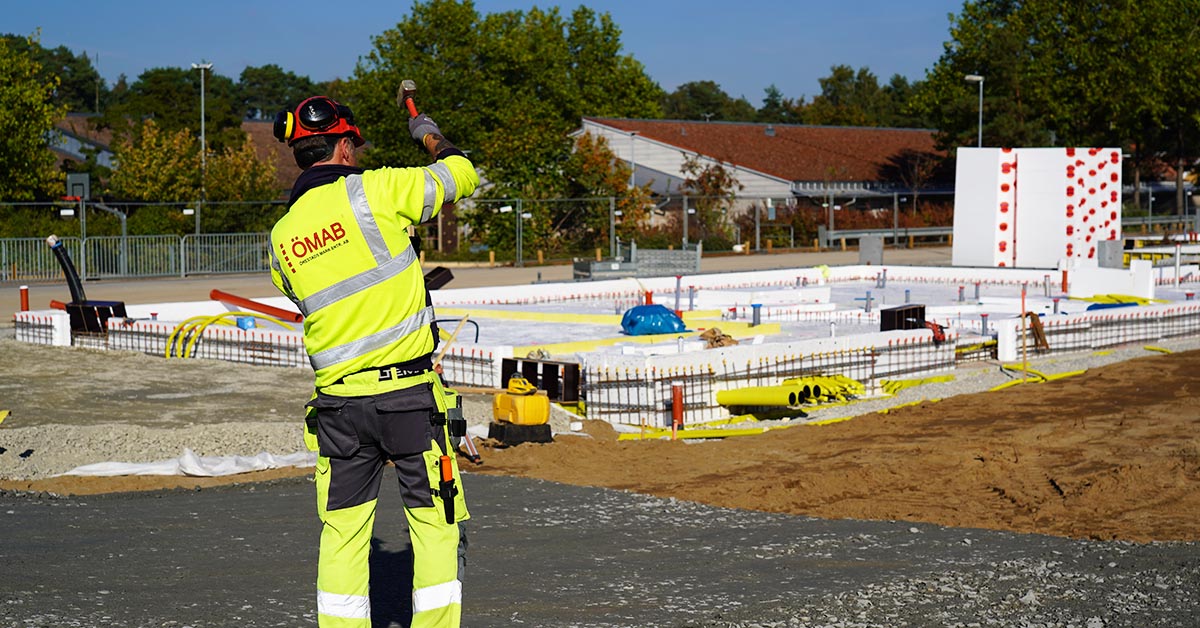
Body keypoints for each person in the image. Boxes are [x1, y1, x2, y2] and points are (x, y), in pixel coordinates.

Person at [268, 95, 479, 628]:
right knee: (434, 524)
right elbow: (460, 174)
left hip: (337, 406)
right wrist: (429, 134)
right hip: (408, 397)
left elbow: (311, 297)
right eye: (354, 146)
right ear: (343, 145)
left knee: (342, 532)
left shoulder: (281, 237)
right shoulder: (375, 190)